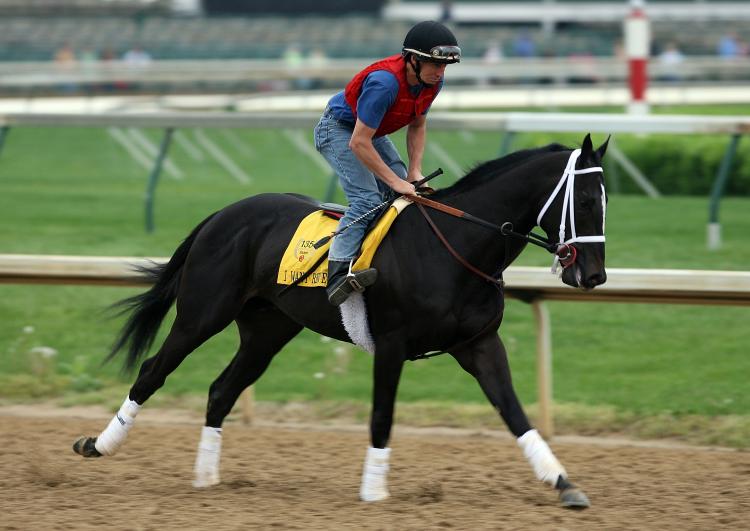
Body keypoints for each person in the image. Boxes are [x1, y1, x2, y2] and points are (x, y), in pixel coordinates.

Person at [313, 20, 460, 306]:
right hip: (340, 130)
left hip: (370, 131)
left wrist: (414, 170)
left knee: (409, 193)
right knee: (367, 200)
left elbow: (417, 125)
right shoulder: (384, 83)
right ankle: (337, 274)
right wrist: (395, 180)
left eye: (445, 67)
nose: (441, 72)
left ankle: (383, 255)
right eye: (435, 64)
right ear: (414, 60)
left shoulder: (432, 82)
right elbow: (358, 142)